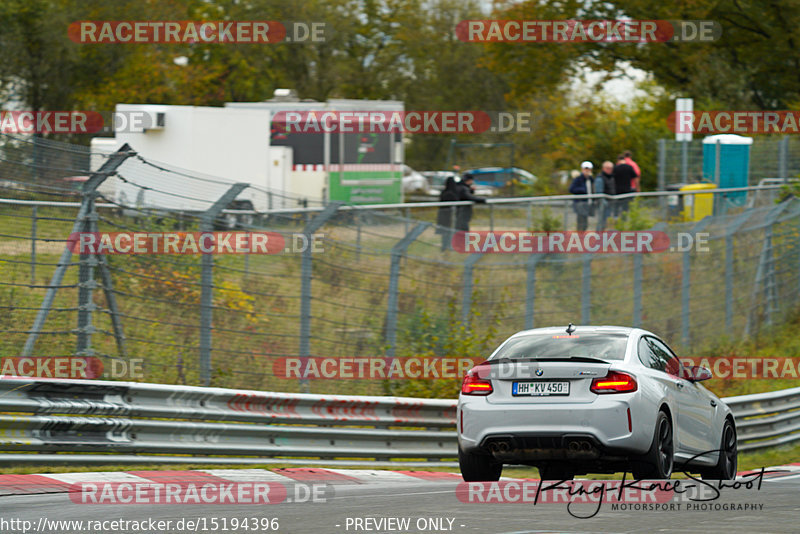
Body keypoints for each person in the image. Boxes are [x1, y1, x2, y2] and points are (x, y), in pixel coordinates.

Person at [569, 161, 594, 231]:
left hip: (588, 203)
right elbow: (571, 189)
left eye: (588, 169)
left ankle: (582, 235)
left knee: (585, 222)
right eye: (585, 169)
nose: (587, 171)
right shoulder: (578, 179)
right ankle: (580, 235)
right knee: (581, 221)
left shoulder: (591, 179)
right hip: (580, 203)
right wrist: (582, 190)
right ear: (582, 169)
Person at [435, 175, 459, 251]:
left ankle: (445, 246)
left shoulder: (444, 192)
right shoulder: (450, 193)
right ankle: (447, 246)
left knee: (445, 232)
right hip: (449, 216)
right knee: (447, 232)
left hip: (443, 215)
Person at [594, 161, 615, 231]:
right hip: (603, 204)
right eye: (608, 168)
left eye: (611, 168)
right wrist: (604, 202)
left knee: (606, 221)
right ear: (603, 168)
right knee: (601, 221)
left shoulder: (611, 177)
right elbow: (599, 193)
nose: (610, 170)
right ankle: (599, 236)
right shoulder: (600, 178)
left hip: (610, 203)